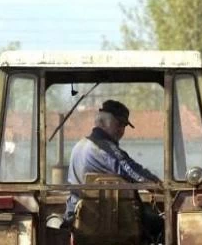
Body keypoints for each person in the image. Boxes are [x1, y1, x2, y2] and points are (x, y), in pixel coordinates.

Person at [63, 100, 162, 234]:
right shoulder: (105, 148)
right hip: (105, 217)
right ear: (102, 123)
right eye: (119, 124)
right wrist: (159, 185)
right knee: (160, 224)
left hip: (78, 216)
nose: (121, 130)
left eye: (124, 126)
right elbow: (133, 171)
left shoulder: (80, 145)